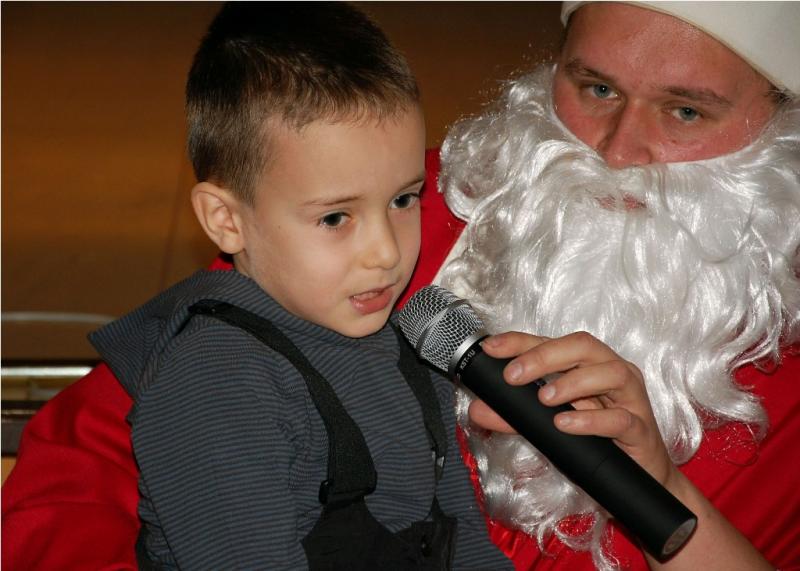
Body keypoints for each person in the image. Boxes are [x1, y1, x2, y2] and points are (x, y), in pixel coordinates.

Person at [3, 1, 799, 569]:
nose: (617, 150)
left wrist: (660, 487)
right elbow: (82, 467)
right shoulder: (402, 211)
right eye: (595, 89)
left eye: (685, 112)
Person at [2, 3, 513, 569]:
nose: (387, 253)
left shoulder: (406, 348)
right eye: (335, 218)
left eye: (402, 199)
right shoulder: (214, 381)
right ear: (226, 220)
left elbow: (464, 540)